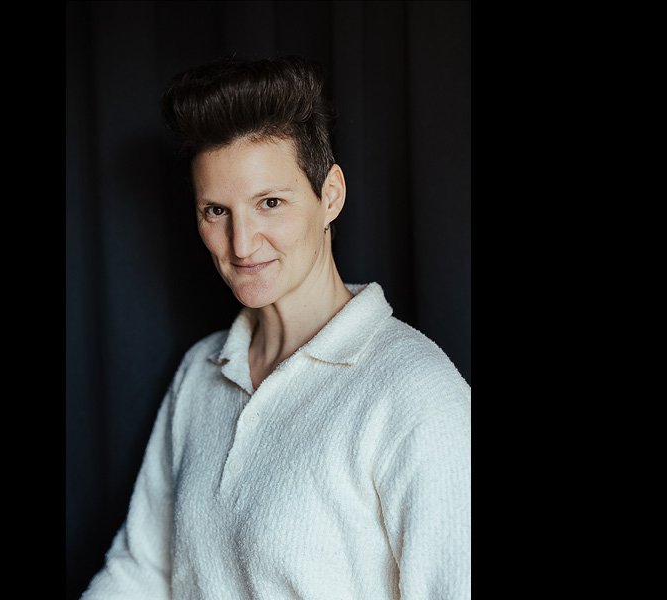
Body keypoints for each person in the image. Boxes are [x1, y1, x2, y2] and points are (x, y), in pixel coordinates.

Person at [81, 55, 471, 600]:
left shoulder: (418, 394)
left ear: (330, 195)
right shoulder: (200, 371)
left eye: (269, 203)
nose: (241, 245)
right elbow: (141, 573)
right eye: (216, 211)